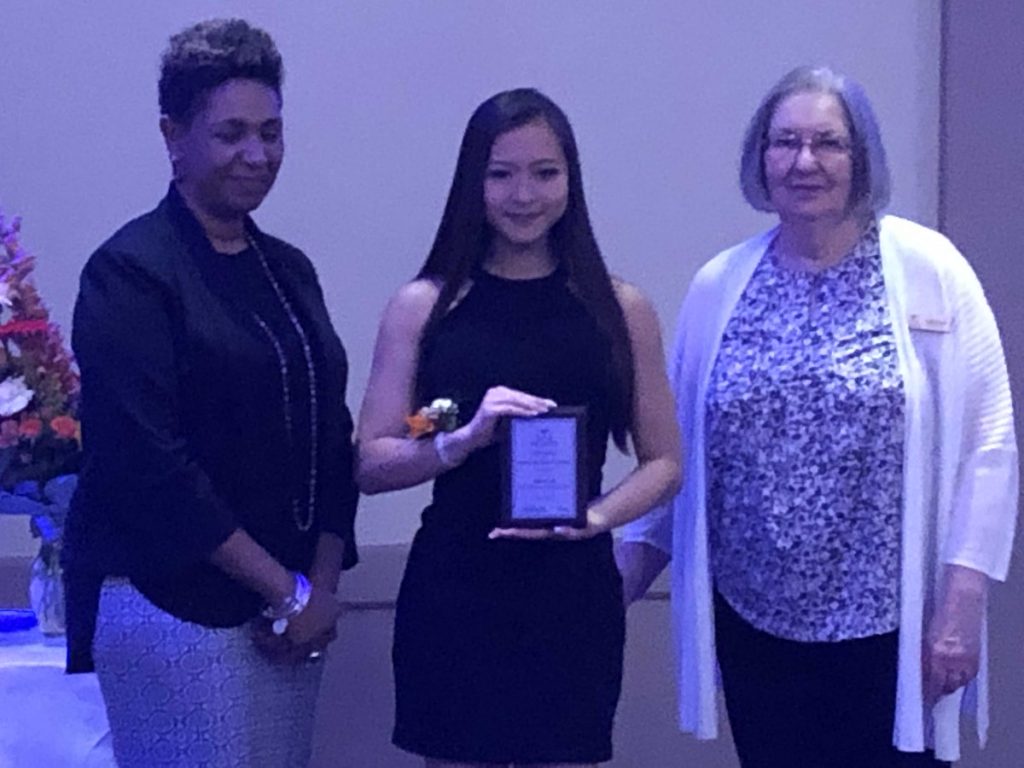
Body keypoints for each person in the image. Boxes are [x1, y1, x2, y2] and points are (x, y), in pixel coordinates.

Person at [618, 65, 1018, 767]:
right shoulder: (720, 287)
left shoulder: (931, 270)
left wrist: (961, 608)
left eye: (828, 143)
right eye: (785, 143)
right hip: (755, 625)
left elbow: (990, 446)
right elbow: (675, 452)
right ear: (761, 158)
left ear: (861, 158)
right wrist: (611, 586)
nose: (805, 162)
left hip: (894, 632)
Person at [63, 19, 358, 767]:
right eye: (231, 133)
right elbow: (150, 465)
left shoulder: (288, 271)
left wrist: (315, 591)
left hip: (289, 622)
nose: (257, 155)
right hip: (172, 611)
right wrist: (285, 593)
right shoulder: (129, 273)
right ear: (173, 135)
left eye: (271, 131)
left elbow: (332, 436)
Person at [356, 88, 681, 767]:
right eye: (501, 174)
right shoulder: (423, 307)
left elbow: (664, 462)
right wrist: (457, 439)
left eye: (545, 173)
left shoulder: (620, 309)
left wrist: (595, 517)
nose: (523, 194)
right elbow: (375, 458)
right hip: (457, 588)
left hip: (572, 592)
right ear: (473, 182)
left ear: (571, 180)